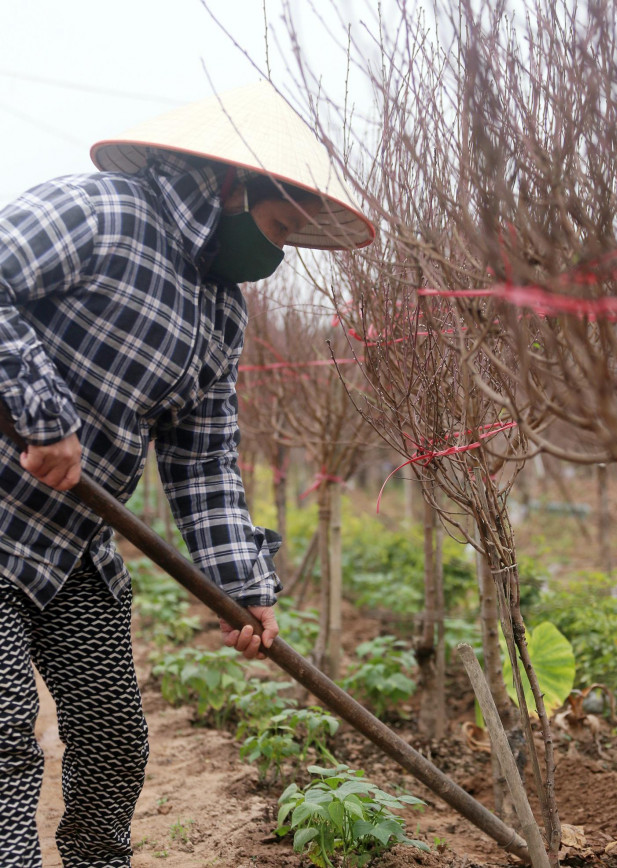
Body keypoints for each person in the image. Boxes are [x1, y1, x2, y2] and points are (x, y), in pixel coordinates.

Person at [0, 80, 374, 868]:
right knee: (5, 751)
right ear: (233, 189)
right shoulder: (95, 211)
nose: (273, 255)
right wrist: (40, 411)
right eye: (275, 229)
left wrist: (243, 586)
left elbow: (201, 456)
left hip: (72, 551)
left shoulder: (220, 310)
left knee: (112, 741)